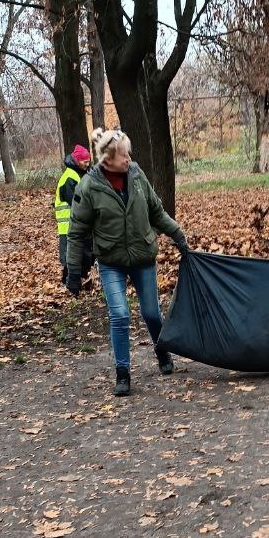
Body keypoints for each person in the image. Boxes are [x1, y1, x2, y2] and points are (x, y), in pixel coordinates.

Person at [66, 127, 189, 397]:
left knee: (151, 313)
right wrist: (74, 271)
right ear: (108, 159)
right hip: (111, 261)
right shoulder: (89, 186)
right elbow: (76, 232)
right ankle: (123, 373)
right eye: (124, 155)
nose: (129, 158)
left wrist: (178, 235)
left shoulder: (136, 175)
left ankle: (162, 350)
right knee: (120, 314)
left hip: (142, 256)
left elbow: (156, 210)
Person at [55, 145, 93, 285]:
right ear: (77, 161)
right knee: (70, 255)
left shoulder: (77, 174)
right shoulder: (69, 178)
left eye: (88, 161)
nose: (87, 164)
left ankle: (80, 279)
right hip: (68, 225)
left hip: (76, 223)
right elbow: (75, 202)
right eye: (84, 161)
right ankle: (69, 281)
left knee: (81, 252)